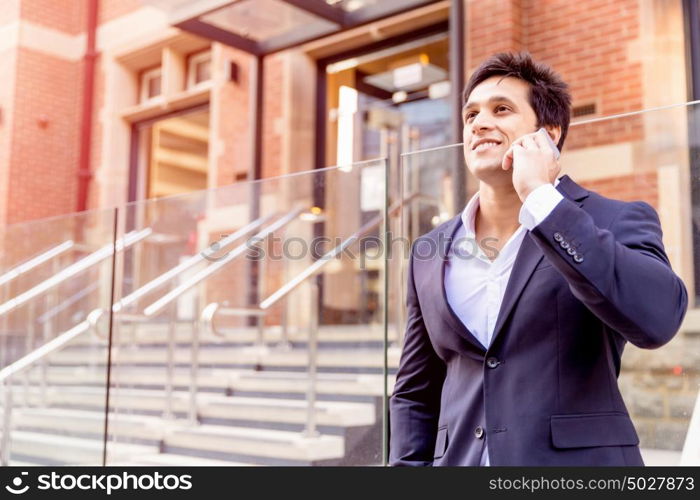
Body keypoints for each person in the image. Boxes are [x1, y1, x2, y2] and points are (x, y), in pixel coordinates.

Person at [388, 52, 688, 466]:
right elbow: (415, 390)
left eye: (502, 109)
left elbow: (658, 319)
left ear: (549, 132)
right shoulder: (430, 249)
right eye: (470, 114)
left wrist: (543, 201)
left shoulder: (613, 219)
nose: (479, 123)